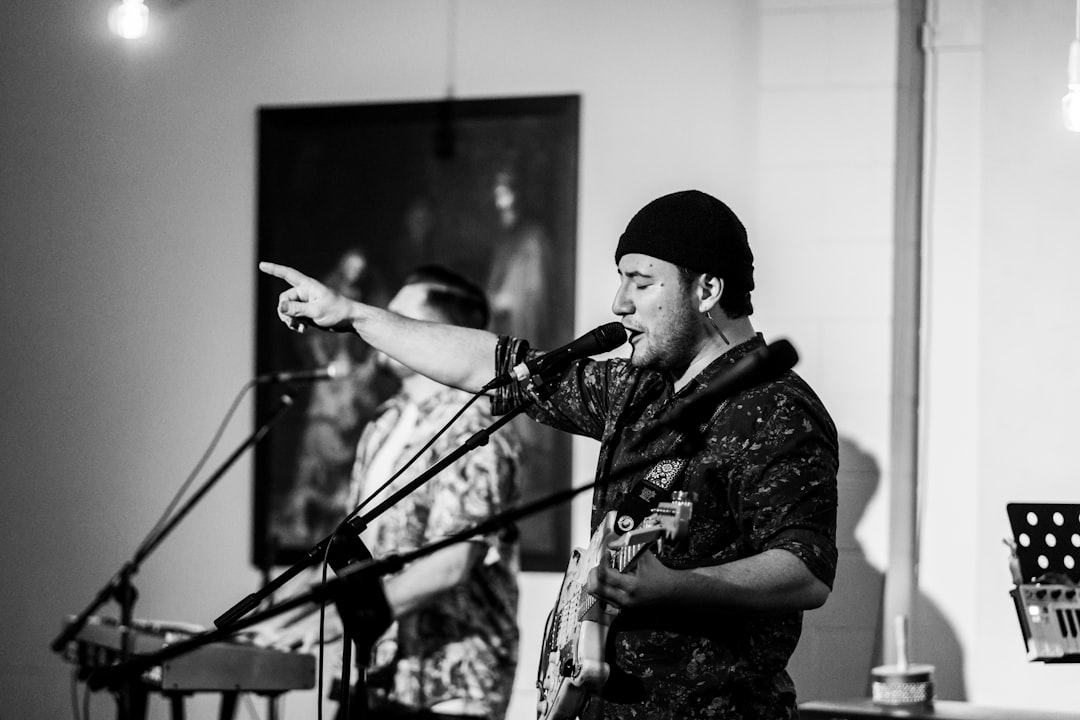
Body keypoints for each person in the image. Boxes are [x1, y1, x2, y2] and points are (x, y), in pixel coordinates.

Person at [261, 189, 839, 719]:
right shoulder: (637, 391)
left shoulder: (775, 408)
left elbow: (805, 569)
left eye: (641, 282)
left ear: (706, 290)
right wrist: (356, 316)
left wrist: (675, 585)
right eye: (621, 281)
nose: (619, 303)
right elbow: (492, 366)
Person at [260, 265, 522, 720]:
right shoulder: (383, 422)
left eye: (398, 319)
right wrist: (273, 618)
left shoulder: (477, 424)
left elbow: (454, 562)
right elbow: (354, 552)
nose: (380, 328)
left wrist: (345, 620)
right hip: (376, 673)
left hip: (450, 683)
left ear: (434, 334)